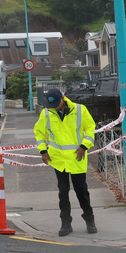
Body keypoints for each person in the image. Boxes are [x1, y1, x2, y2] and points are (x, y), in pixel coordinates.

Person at [33, 88, 97, 236]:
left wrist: (84, 146)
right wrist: (43, 151)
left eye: (56, 103)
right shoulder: (46, 113)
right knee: (63, 192)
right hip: (58, 160)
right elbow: (39, 133)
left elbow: (90, 129)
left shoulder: (80, 110)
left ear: (63, 98)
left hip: (77, 157)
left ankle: (89, 219)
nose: (54, 107)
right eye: (51, 105)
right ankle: (65, 223)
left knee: (82, 192)